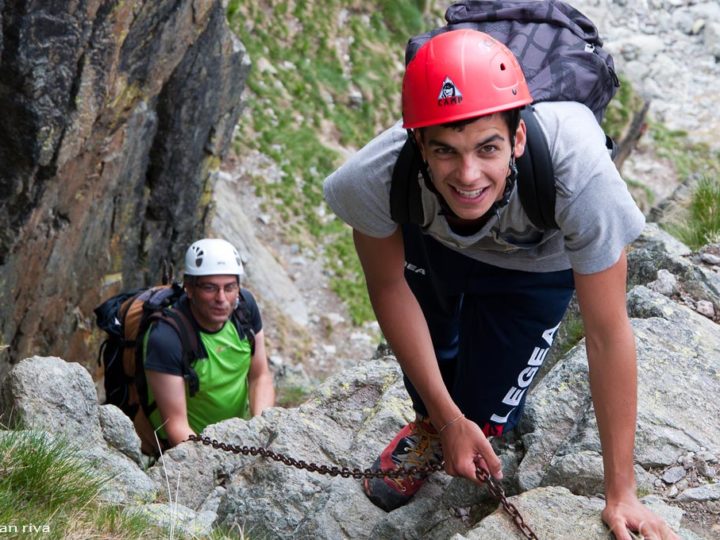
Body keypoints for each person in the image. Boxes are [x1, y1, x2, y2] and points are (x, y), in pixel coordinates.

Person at [323, 29, 678, 539]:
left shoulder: (581, 177)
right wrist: (444, 420)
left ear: (517, 138)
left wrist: (621, 492)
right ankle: (428, 426)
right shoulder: (373, 177)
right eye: (445, 151)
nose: (468, 175)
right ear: (418, 143)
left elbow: (606, 333)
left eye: (487, 147)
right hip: (436, 243)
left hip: (537, 264)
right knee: (436, 354)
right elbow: (388, 287)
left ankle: (475, 418)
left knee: (487, 409)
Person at [144, 238, 275, 448]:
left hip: (240, 437)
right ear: (189, 288)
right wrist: (214, 460)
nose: (221, 298)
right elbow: (176, 426)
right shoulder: (167, 338)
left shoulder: (245, 309)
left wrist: (259, 430)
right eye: (210, 288)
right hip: (190, 448)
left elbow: (260, 376)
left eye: (230, 287)